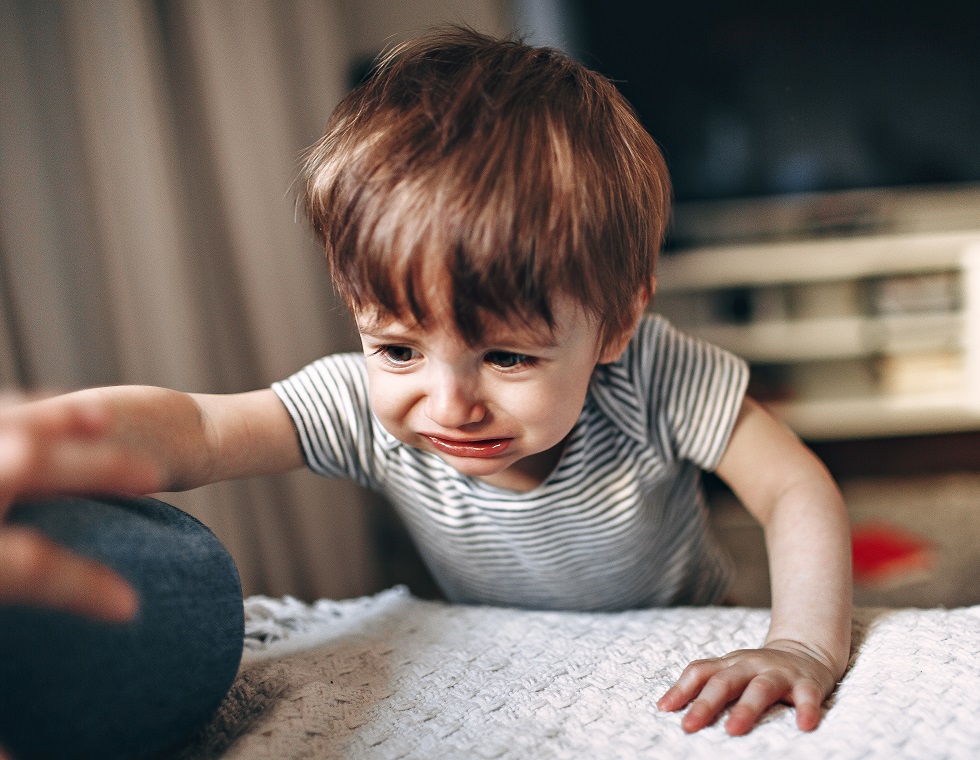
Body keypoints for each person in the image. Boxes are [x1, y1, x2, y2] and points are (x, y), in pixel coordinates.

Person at [1, 25, 852, 743]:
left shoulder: (653, 375)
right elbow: (200, 428)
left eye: (508, 358)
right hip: (509, 646)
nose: (446, 404)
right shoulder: (364, 407)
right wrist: (58, 439)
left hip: (685, 624)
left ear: (616, 326)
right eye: (398, 349)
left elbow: (791, 487)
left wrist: (802, 646)